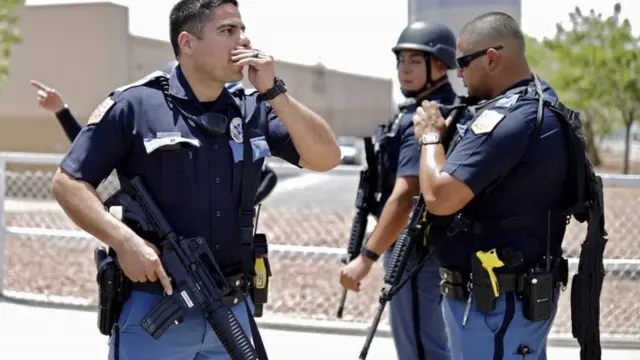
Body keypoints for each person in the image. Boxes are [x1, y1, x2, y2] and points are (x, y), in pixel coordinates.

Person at [50, 1, 340, 359]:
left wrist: (274, 91)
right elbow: (68, 183)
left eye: (242, 29)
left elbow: (327, 157)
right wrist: (124, 241)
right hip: (155, 310)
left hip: (231, 307)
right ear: (187, 42)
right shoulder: (136, 105)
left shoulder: (251, 108)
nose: (243, 41)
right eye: (227, 31)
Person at [412, 12, 572, 360]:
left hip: (497, 307)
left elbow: (439, 197)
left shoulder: (511, 117)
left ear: (491, 58)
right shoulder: (538, 101)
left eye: (463, 63)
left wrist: (429, 136)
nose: (459, 74)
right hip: (500, 303)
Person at [339, 21, 458, 360]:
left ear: (439, 65)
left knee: (421, 348)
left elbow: (406, 197)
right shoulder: (436, 111)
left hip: (417, 249)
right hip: (428, 246)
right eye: (401, 60)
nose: (404, 69)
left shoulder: (423, 118)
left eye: (414, 61)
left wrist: (366, 258)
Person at [32, 79, 280, 204]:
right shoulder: (148, 120)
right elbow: (89, 149)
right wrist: (61, 111)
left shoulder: (233, 128)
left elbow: (268, 176)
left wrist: (241, 205)